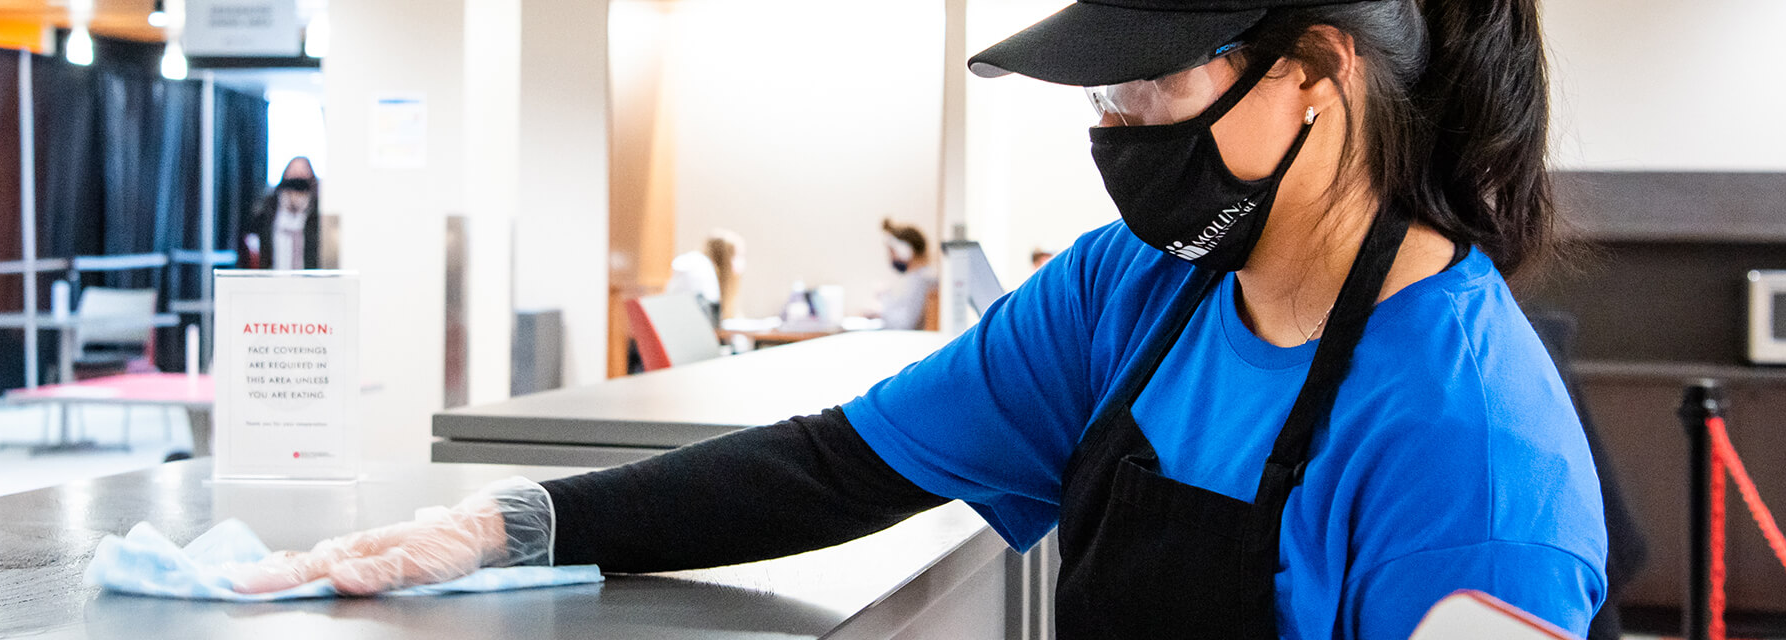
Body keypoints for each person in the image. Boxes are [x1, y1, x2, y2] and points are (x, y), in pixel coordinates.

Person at [226, 1, 1606, 638]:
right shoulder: (1136, 293)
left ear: (1314, 76)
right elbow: (840, 466)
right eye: (1100, 96)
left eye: (1145, 90)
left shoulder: (1474, 442)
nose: (1110, 127)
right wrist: (517, 526)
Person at [236, 157, 320, 270]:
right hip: (272, 272)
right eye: (294, 171)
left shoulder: (317, 210)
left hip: (306, 275)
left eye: (302, 172)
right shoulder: (269, 206)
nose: (297, 175)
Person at [665, 230, 745, 322]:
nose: (742, 264)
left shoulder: (699, 265)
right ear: (725, 261)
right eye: (738, 256)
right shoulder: (703, 272)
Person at [874, 219, 938, 330]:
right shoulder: (917, 276)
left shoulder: (922, 279)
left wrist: (883, 309)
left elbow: (906, 324)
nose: (891, 257)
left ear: (905, 251)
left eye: (892, 252)